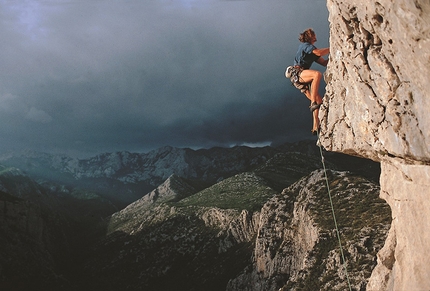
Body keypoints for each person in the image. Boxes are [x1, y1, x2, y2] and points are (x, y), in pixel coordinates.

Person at [286, 28, 330, 135]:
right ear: (310, 37)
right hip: (299, 73)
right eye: (313, 35)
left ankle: (315, 126)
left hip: (300, 78)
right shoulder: (305, 46)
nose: (315, 37)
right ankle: (313, 102)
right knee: (317, 74)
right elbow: (319, 52)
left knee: (319, 101)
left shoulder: (311, 51)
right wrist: (333, 47)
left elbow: (324, 62)